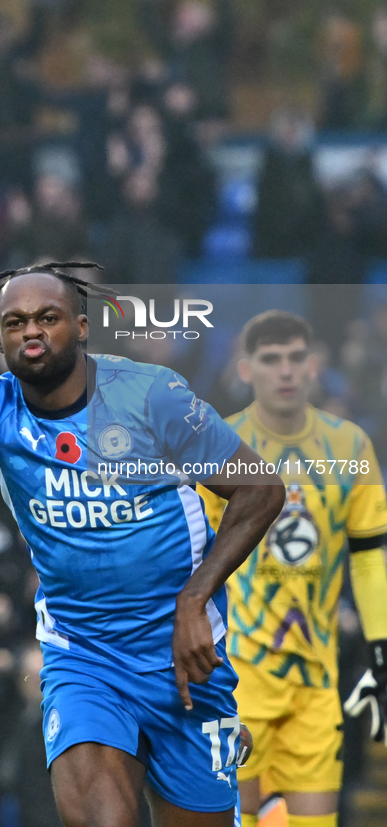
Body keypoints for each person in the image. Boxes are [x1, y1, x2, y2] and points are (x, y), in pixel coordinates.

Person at [0, 185, 285, 827]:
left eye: (47, 317)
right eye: (14, 323)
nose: (30, 330)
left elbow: (262, 489)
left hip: (184, 655)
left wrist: (194, 599)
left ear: (83, 326)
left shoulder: (152, 397)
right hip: (82, 656)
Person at [199, 310, 387, 827]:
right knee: (236, 820)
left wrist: (380, 644)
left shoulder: (350, 447)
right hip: (238, 680)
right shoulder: (221, 446)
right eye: (271, 359)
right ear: (246, 369)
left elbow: (370, 556)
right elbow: (197, 560)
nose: (285, 370)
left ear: (314, 367)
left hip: (316, 685)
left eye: (295, 358)